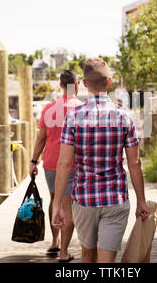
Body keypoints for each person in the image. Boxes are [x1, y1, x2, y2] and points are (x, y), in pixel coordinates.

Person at [52, 58, 149, 263]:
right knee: (107, 260)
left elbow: (64, 164)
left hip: (84, 199)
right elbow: (134, 163)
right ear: (109, 81)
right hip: (115, 198)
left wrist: (57, 204)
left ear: (84, 84)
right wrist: (141, 200)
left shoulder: (73, 117)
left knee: (87, 253)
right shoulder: (124, 117)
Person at [30, 70, 82, 263]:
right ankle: (64, 252)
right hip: (73, 164)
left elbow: (40, 139)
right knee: (68, 206)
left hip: (51, 163)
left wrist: (33, 161)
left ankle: (54, 242)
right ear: (77, 85)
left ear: (60, 86)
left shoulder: (49, 108)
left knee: (54, 200)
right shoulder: (81, 109)